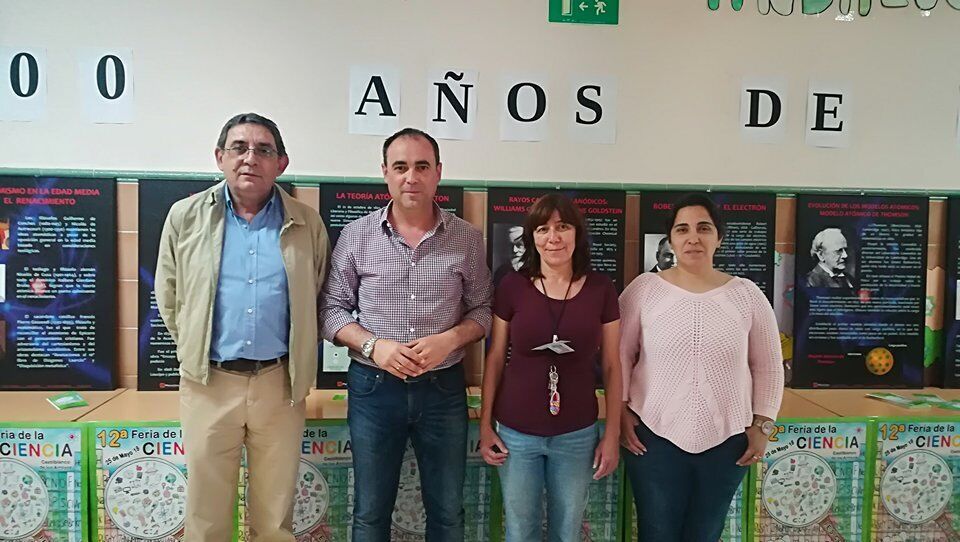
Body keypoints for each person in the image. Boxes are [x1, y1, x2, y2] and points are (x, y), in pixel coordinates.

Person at [155, 113, 330, 542]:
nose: (250, 158)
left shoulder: (307, 223)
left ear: (281, 164)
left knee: (274, 517)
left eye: (263, 150)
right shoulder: (185, 217)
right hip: (209, 384)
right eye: (239, 147)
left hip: (279, 385)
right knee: (206, 515)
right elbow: (169, 296)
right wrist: (195, 346)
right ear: (220, 157)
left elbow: (318, 294)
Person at [319, 127, 493, 541]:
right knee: (370, 512)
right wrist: (373, 346)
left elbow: (484, 310)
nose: (411, 177)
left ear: (438, 173)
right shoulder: (356, 236)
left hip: (443, 390)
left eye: (421, 166)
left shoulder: (467, 238)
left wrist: (450, 339)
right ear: (385, 172)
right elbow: (330, 310)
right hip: (374, 389)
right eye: (400, 167)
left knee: (448, 512)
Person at [618, 193, 783, 541]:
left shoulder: (747, 294)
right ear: (671, 239)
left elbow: (768, 366)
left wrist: (763, 424)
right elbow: (619, 355)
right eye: (683, 229)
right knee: (656, 531)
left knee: (706, 532)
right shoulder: (644, 290)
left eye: (703, 228)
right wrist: (619, 409)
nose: (693, 237)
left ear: (718, 238)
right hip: (653, 437)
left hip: (728, 440)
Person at [479, 193, 621, 542]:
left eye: (563, 227)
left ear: (577, 234)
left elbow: (612, 365)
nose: (553, 237)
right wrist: (485, 425)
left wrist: (613, 435)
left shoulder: (601, 289)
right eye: (543, 229)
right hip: (516, 433)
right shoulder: (512, 286)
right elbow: (495, 358)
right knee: (520, 531)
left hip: (577, 433)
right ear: (532, 237)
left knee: (567, 531)